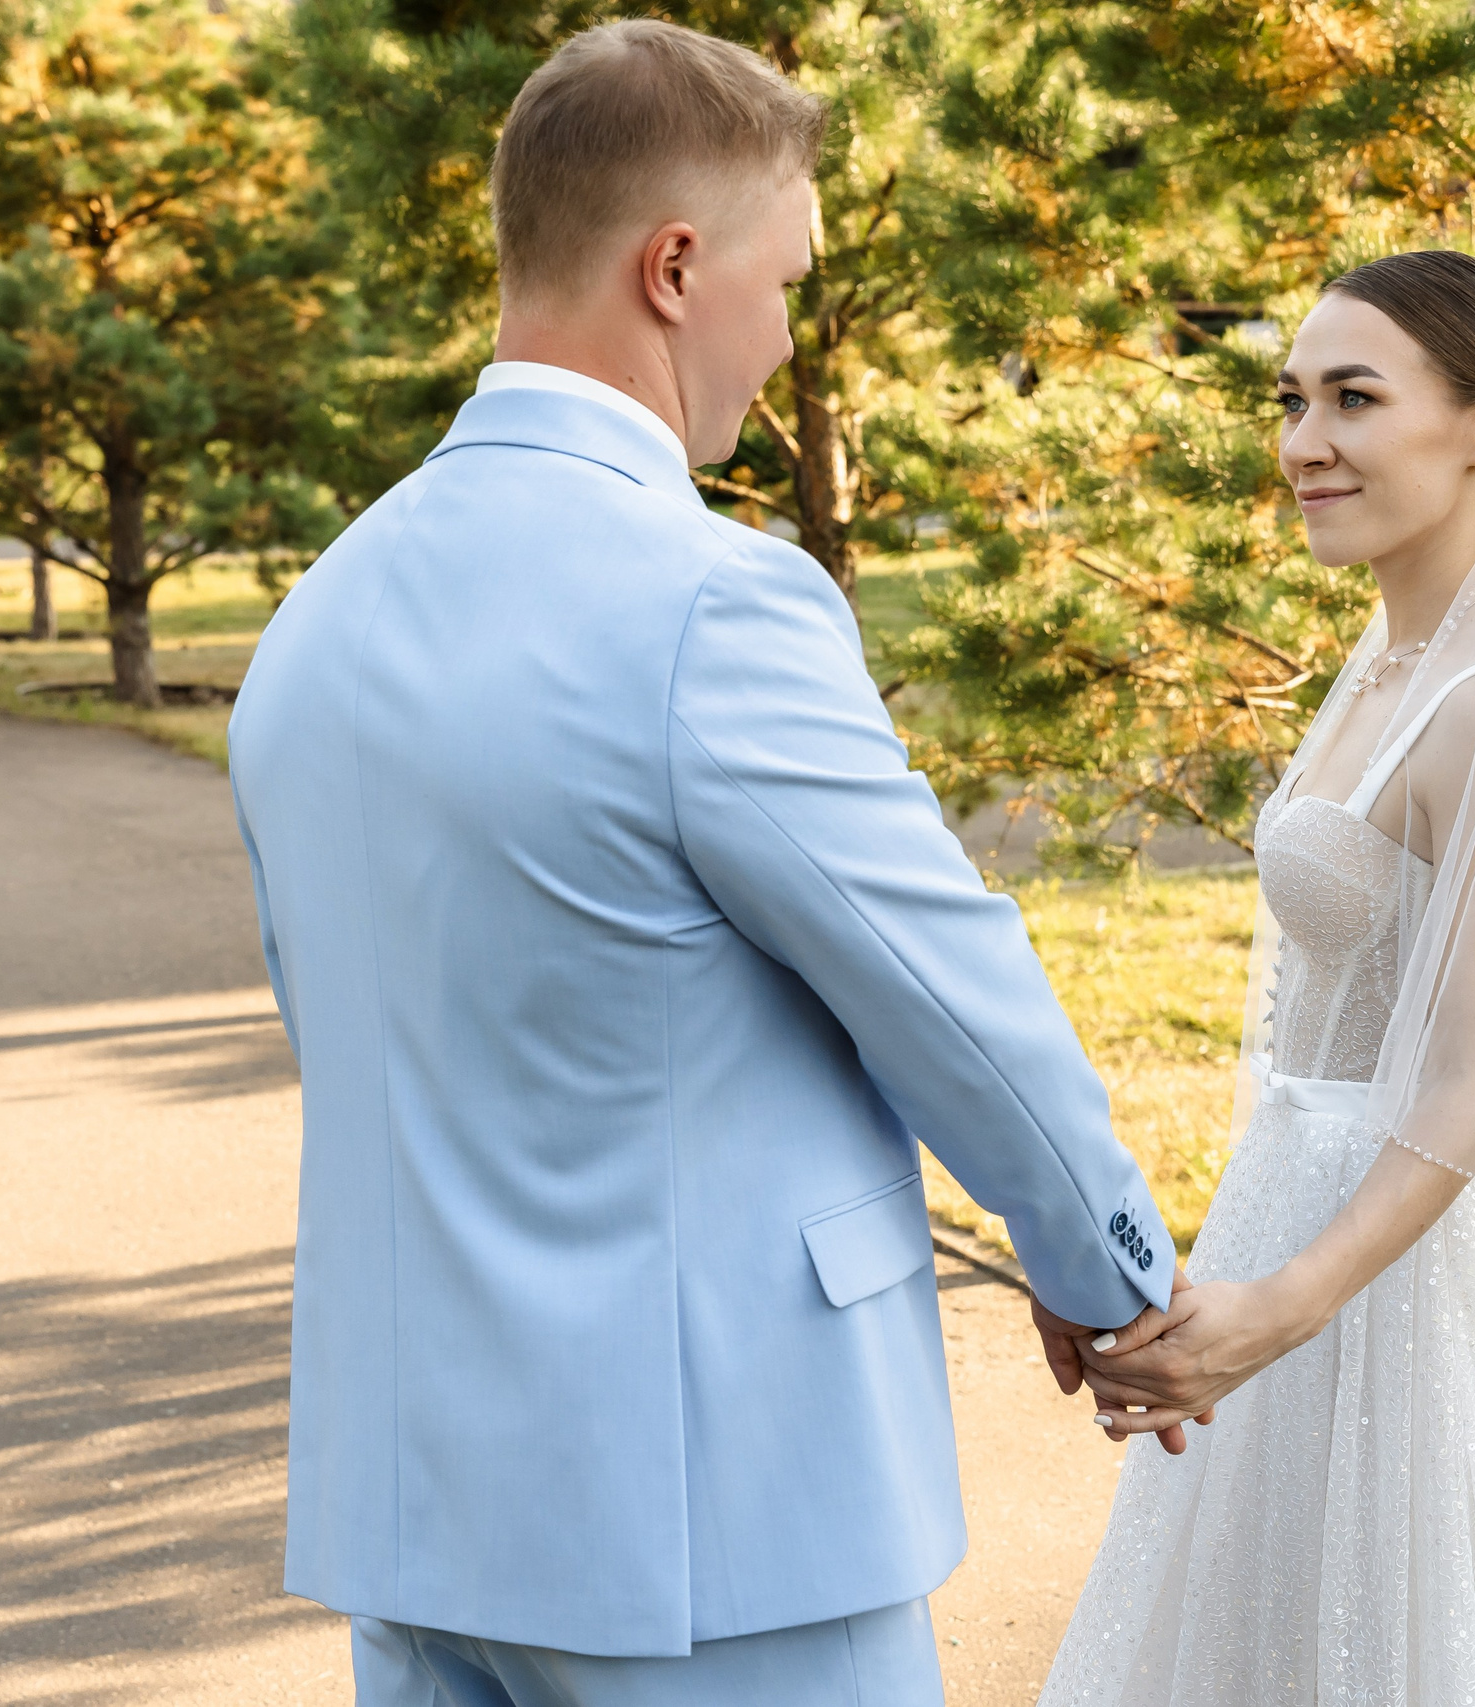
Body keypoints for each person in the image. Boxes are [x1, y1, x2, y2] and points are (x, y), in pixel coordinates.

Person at [225, 21, 1176, 1707]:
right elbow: (943, 990)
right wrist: (1112, 1277)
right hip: (712, 1521)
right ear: (674, 267)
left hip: (420, 1516)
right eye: (786, 279)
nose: (788, 329)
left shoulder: (319, 618)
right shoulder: (712, 604)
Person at [1035, 251, 1475, 1705]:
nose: (1305, 443)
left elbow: (1473, 1083)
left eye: (1355, 400)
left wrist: (1285, 1308)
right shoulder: (1393, 646)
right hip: (1298, 1211)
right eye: (1293, 398)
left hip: (1415, 1295)